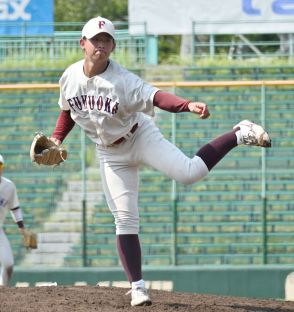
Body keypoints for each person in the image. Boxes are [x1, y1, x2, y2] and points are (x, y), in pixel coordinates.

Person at [49, 16, 271, 306]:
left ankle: (238, 134)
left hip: (139, 136)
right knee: (125, 219)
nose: (100, 45)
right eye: (95, 40)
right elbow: (68, 111)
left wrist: (186, 105)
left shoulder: (123, 80)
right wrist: (56, 139)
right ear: (83, 44)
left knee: (190, 172)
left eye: (106, 40)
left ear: (113, 46)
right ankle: (138, 287)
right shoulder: (69, 77)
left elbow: (156, 96)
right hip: (109, 153)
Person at [0, 154, 29, 286]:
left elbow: (15, 208)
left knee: (9, 264)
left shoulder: (8, 186)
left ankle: (2, 289)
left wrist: (22, 229)